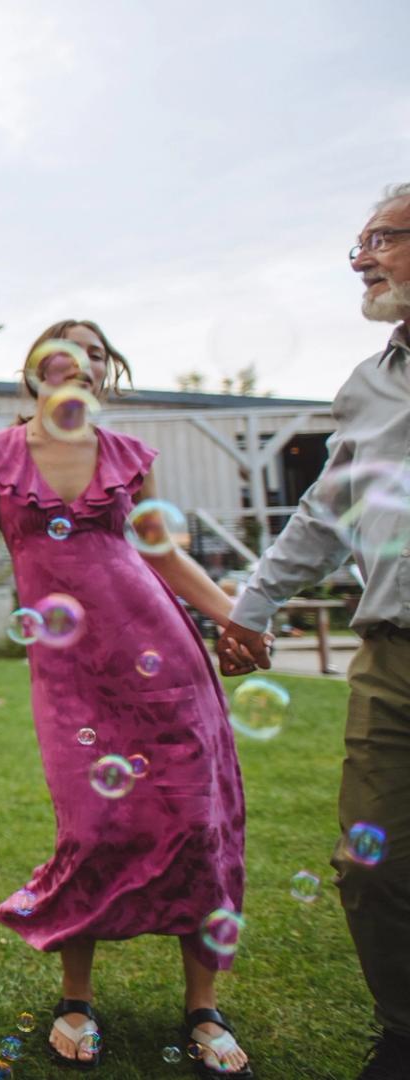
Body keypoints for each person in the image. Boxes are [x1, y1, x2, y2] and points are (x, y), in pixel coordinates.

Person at [0, 319, 253, 1075]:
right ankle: (76, 999)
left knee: (196, 820)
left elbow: (163, 554)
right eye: (63, 349)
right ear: (34, 371)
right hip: (72, 674)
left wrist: (234, 617)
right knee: (94, 827)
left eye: (96, 351)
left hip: (163, 658)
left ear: (107, 373)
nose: (80, 360)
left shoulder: (129, 457)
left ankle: (203, 1009)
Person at [216, 182, 410, 1080]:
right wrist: (253, 605)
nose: (362, 259)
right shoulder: (367, 387)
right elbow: (325, 515)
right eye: (357, 245)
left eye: (378, 239)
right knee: (372, 863)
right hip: (393, 653)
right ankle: (406, 1030)